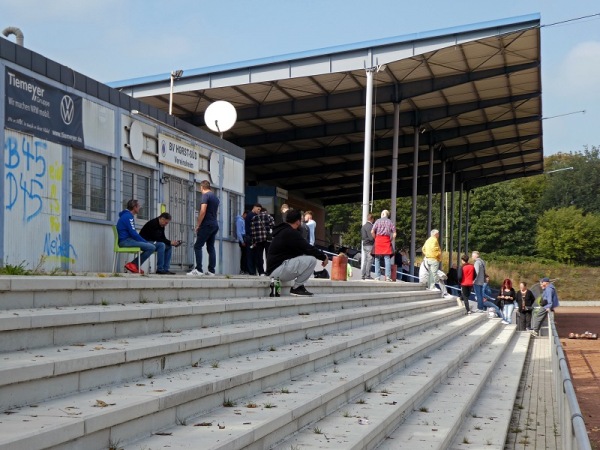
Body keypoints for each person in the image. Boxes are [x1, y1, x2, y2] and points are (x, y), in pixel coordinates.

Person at [266, 209, 328, 296]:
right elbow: (307, 248)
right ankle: (297, 287)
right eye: (301, 220)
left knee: (304, 256)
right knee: (312, 260)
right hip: (278, 270)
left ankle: (276, 287)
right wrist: (323, 257)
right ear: (298, 222)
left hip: (274, 270)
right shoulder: (290, 232)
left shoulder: (283, 231)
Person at [187, 180, 220, 277]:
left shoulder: (205, 196)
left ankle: (199, 269)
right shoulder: (215, 198)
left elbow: (203, 211)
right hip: (214, 224)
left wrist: (198, 224)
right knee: (211, 247)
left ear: (202, 187)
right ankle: (211, 271)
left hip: (207, 224)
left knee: (197, 246)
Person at [116, 199, 156, 274]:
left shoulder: (126, 215)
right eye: (139, 206)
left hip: (127, 240)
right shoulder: (128, 217)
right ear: (134, 207)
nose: (140, 207)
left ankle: (134, 265)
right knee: (151, 247)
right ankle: (133, 264)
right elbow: (133, 233)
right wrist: (145, 242)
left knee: (150, 245)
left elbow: (133, 234)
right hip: (125, 241)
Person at [371, 210, 396, 282]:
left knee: (377, 258)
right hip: (386, 240)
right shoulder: (390, 222)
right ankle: (388, 277)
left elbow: (372, 231)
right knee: (387, 259)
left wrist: (375, 238)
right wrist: (391, 240)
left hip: (378, 240)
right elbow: (394, 234)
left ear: (382, 214)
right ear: (387, 215)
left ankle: (377, 277)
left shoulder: (378, 221)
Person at [251, 207, 275, 276]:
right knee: (268, 255)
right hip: (268, 240)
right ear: (266, 211)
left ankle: (261, 271)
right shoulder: (270, 217)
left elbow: (253, 231)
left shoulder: (254, 218)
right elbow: (273, 228)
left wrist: (253, 241)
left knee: (259, 256)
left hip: (258, 239)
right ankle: (269, 271)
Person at [244, 204, 262, 275]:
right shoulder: (251, 216)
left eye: (260, 210)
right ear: (254, 208)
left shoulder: (252, 215)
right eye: (258, 209)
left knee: (253, 255)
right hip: (250, 237)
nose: (259, 211)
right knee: (250, 255)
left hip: (251, 237)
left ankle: (253, 271)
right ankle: (251, 271)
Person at [360, 214, 375, 280]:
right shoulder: (371, 226)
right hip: (370, 245)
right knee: (370, 259)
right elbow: (371, 238)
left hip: (364, 245)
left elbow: (363, 236)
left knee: (366, 260)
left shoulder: (363, 226)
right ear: (372, 219)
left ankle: (363, 274)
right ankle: (367, 275)